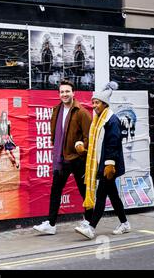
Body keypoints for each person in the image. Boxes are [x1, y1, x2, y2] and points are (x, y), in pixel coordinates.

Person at [33, 79, 92, 235]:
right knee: (56, 190)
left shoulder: (81, 112)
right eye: (62, 92)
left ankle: (89, 223)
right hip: (61, 158)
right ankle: (51, 224)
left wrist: (82, 152)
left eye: (67, 91)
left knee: (85, 191)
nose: (64, 94)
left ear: (74, 93)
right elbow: (55, 134)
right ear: (59, 94)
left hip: (77, 159)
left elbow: (89, 137)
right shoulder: (56, 110)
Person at [74, 81, 131, 240]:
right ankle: (125, 223)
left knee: (101, 195)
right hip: (103, 164)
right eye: (93, 102)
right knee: (112, 195)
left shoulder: (111, 120)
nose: (94, 105)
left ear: (105, 104)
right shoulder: (98, 119)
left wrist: (110, 164)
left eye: (97, 102)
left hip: (108, 166)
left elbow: (113, 143)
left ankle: (91, 227)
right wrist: (84, 149)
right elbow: (96, 145)